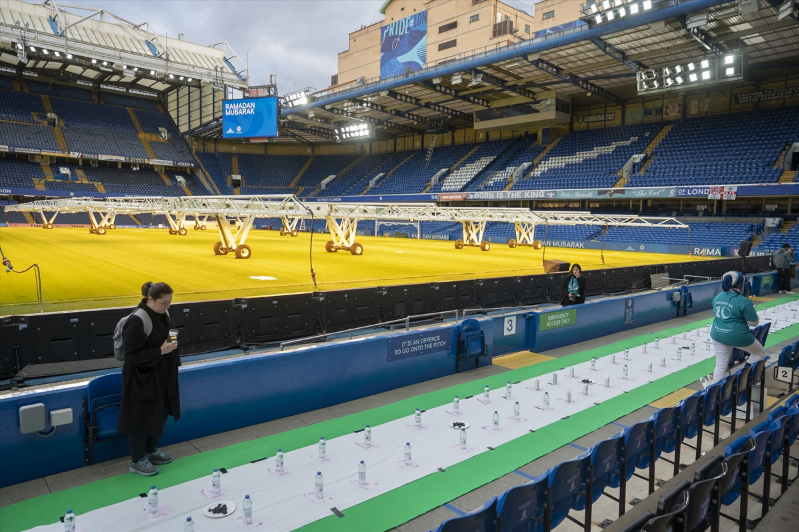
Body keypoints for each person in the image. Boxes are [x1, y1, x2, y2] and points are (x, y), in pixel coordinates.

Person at [117, 282, 181, 476]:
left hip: (164, 373)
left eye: (169, 302)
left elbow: (172, 337)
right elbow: (132, 357)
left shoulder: (165, 314)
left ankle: (151, 450)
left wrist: (176, 363)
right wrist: (161, 351)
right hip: (141, 378)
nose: (167, 306)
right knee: (140, 418)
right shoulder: (136, 321)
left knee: (161, 412)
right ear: (150, 299)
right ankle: (137, 460)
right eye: (163, 302)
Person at [702, 271, 764, 388]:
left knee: (720, 365)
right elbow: (754, 323)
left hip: (718, 334)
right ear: (741, 284)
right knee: (759, 352)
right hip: (738, 335)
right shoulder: (743, 301)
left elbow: (717, 311)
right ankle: (745, 380)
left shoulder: (718, 297)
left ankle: (715, 392)